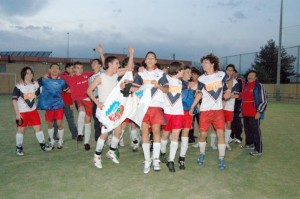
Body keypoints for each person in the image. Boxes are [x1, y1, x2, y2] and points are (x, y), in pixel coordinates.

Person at [88, 47, 134, 169]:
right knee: (105, 133)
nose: (118, 65)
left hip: (114, 108)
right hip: (104, 108)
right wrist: (97, 102)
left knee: (118, 130)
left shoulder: (115, 75)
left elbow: (129, 69)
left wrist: (131, 54)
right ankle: (97, 156)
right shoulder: (100, 77)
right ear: (110, 64)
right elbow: (89, 91)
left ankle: (111, 151)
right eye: (116, 63)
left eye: (118, 64)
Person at [190, 54, 231, 170]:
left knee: (220, 134)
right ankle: (202, 154)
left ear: (212, 63)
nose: (203, 64)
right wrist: (193, 107)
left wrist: (228, 91)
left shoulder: (221, 74)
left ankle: (221, 158)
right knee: (203, 134)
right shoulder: (201, 78)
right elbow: (199, 93)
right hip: (205, 110)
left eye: (206, 62)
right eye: (202, 62)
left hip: (218, 111)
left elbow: (228, 86)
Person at [132, 51, 168, 174]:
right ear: (145, 60)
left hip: (156, 107)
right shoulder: (141, 73)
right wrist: (129, 87)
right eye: (148, 58)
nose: (150, 60)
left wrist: (158, 85)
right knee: (144, 133)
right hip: (143, 107)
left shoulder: (161, 74)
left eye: (152, 58)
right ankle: (147, 160)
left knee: (157, 132)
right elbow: (135, 88)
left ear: (156, 61)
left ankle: (156, 160)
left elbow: (167, 89)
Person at [12, 67, 53, 156]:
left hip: (33, 111)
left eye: (31, 73)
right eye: (27, 73)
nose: (30, 75)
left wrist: (47, 75)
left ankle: (43, 145)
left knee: (38, 129)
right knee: (21, 130)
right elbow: (14, 100)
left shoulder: (36, 84)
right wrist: (17, 114)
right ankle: (19, 148)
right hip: (22, 112)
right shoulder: (18, 86)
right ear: (23, 74)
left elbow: (43, 78)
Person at [63, 62, 94, 150]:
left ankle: (86, 143)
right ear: (74, 69)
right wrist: (48, 74)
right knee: (81, 114)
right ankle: (80, 134)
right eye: (77, 68)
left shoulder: (86, 75)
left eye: (81, 68)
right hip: (78, 100)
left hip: (88, 100)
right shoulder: (69, 78)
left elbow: (97, 71)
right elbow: (57, 76)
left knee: (87, 122)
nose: (80, 70)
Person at [160, 61, 184, 172]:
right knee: (165, 134)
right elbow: (164, 86)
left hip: (178, 113)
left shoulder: (181, 82)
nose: (183, 72)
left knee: (175, 136)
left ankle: (171, 160)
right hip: (167, 112)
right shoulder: (165, 78)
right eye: (182, 70)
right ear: (177, 70)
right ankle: (163, 152)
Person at [37, 63, 68, 149]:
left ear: (59, 71)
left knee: (59, 123)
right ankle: (51, 140)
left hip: (59, 105)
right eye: (53, 68)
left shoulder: (62, 81)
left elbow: (67, 90)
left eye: (57, 68)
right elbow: (33, 83)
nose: (55, 70)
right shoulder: (44, 79)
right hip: (49, 106)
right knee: (50, 124)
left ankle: (60, 140)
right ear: (50, 70)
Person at [177, 65, 202, 170]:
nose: (189, 74)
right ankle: (164, 153)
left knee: (185, 133)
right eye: (187, 72)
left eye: (190, 72)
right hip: (176, 111)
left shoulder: (195, 84)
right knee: (172, 133)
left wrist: (196, 105)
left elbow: (199, 94)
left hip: (188, 112)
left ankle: (182, 157)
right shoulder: (177, 82)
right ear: (182, 73)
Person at [241, 70, 267, 156]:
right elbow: (243, 100)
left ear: (256, 78)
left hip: (254, 113)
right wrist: (242, 111)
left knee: (256, 131)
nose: (250, 76)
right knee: (247, 130)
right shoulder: (245, 86)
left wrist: (259, 111)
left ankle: (258, 149)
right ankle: (249, 144)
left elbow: (263, 100)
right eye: (249, 75)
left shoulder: (259, 86)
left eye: (252, 75)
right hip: (246, 113)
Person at [53, 63, 78, 140]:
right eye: (71, 68)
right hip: (64, 102)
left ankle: (55, 135)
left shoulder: (63, 76)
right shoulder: (64, 77)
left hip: (59, 102)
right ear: (67, 69)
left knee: (58, 120)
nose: (73, 70)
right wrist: (70, 103)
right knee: (69, 119)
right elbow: (66, 93)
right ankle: (75, 135)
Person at [88, 44, 105, 142]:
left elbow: (105, 63)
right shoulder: (90, 78)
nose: (92, 64)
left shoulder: (102, 73)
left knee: (104, 119)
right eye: (92, 63)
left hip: (103, 99)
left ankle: (105, 137)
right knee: (96, 119)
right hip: (95, 100)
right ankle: (98, 138)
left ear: (99, 65)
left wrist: (101, 53)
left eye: (95, 62)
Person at [222, 64, 240, 150]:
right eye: (228, 70)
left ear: (233, 72)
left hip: (229, 107)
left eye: (231, 70)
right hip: (219, 106)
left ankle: (226, 143)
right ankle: (220, 142)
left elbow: (236, 96)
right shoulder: (221, 81)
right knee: (219, 124)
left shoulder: (236, 83)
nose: (229, 71)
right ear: (226, 71)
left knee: (228, 123)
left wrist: (225, 97)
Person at [230, 68, 245, 143]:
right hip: (229, 103)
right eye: (230, 71)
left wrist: (235, 96)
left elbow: (242, 92)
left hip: (237, 103)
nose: (231, 73)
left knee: (237, 120)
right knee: (230, 120)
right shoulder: (227, 80)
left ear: (236, 73)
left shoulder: (240, 81)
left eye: (233, 72)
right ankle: (231, 136)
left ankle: (238, 137)